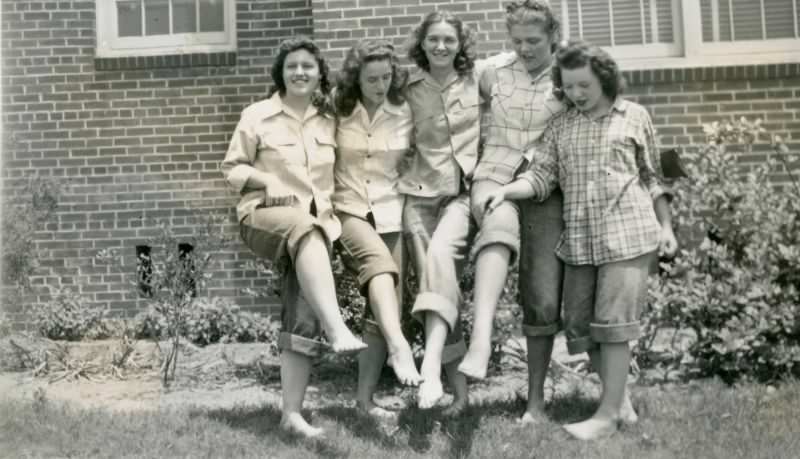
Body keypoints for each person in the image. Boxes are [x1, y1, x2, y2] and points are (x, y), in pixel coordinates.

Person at [485, 40, 678, 440]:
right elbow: (542, 177)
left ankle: (606, 415)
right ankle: (619, 401)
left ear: (604, 80)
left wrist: (667, 227)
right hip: (581, 242)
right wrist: (505, 191)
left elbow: (654, 175)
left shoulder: (634, 117)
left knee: (613, 325)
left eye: (584, 86)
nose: (576, 94)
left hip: (628, 236)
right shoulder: (561, 126)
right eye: (569, 86)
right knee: (579, 325)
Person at [220, 36, 366, 438]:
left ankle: (292, 415)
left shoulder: (329, 118)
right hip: (263, 217)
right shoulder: (258, 115)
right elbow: (231, 169)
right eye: (291, 66)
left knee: (301, 307)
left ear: (320, 73)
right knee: (305, 227)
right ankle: (336, 329)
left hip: (315, 230)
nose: (299, 72)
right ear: (280, 74)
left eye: (307, 66)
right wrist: (263, 178)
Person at [457, 6, 566, 426]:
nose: (524, 49)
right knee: (497, 226)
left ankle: (535, 400)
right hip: (494, 173)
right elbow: (445, 86)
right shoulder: (493, 71)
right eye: (517, 41)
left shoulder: (568, 70)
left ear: (552, 35)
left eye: (533, 42)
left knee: (540, 292)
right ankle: (481, 339)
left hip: (546, 185)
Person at [331, 39, 422, 417]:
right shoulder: (337, 108)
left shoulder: (403, 111)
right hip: (347, 209)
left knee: (386, 305)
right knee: (378, 265)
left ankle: (364, 403)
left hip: (389, 210)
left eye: (387, 77)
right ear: (357, 78)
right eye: (372, 79)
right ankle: (400, 348)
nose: (381, 85)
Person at [399, 10, 482, 414]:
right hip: (418, 197)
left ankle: (430, 368)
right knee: (438, 283)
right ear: (423, 42)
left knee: (438, 262)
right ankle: (459, 395)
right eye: (434, 39)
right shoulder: (406, 84)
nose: (441, 46)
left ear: (460, 44)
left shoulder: (479, 80)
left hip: (461, 195)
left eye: (449, 39)